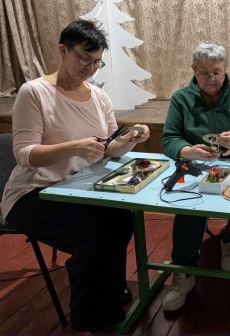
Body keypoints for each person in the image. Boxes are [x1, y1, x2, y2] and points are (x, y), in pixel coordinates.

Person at [0, 19, 151, 332]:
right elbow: (24, 154)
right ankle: (92, 320)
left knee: (121, 219)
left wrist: (131, 139)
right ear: (62, 50)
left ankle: (109, 291)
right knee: (94, 235)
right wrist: (75, 147)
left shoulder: (99, 97)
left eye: (96, 62)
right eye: (84, 58)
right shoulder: (35, 92)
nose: (90, 68)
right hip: (34, 192)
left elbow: (109, 148)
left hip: (79, 188)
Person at [161, 40, 230, 311]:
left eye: (217, 72)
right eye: (204, 72)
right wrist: (187, 150)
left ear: (225, 69)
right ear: (193, 70)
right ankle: (184, 272)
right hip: (200, 167)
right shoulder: (181, 98)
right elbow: (169, 138)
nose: (211, 78)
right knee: (188, 208)